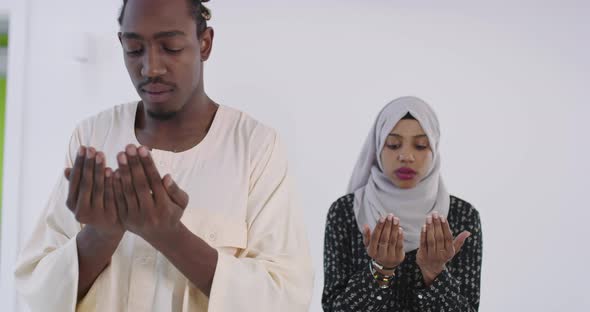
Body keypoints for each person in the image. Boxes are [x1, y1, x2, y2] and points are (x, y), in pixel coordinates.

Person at [14, 1, 313, 311]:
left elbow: (285, 298)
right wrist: (101, 235)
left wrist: (171, 237)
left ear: (204, 43)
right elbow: (38, 291)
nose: (150, 68)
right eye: (133, 49)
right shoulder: (92, 138)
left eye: (170, 47)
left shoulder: (256, 147)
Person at [322, 96, 482, 311]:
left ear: (434, 148)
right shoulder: (347, 211)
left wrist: (434, 272)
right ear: (378, 146)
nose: (406, 156)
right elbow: (334, 308)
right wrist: (379, 270)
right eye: (394, 144)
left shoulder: (461, 215)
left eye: (420, 145)